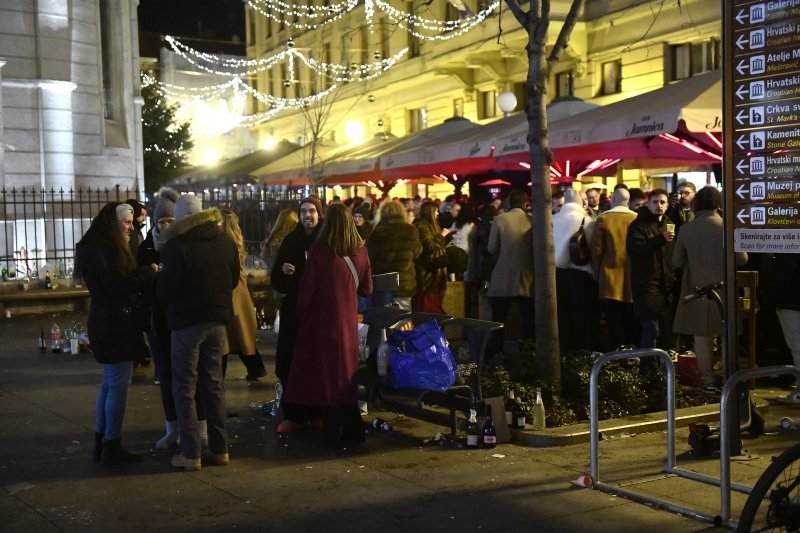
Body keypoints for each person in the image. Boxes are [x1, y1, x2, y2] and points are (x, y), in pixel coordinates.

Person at [157, 195, 240, 471]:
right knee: (213, 384)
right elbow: (234, 278)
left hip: (187, 323)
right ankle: (220, 449)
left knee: (184, 387)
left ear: (181, 219)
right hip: (218, 321)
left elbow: (166, 291)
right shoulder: (225, 241)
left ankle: (190, 453)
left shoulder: (177, 247)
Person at [74, 202, 158, 465]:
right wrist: (149, 272)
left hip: (107, 321)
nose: (131, 228)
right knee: (118, 386)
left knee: (110, 384)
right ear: (112, 223)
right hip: (116, 324)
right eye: (127, 223)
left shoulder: (97, 247)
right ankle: (111, 444)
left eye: (132, 223)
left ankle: (103, 442)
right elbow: (118, 285)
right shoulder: (107, 250)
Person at [283, 204, 373, 447]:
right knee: (345, 376)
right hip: (348, 324)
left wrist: (302, 314)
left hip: (323, 324)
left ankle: (333, 432)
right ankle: (353, 431)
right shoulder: (361, 251)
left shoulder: (320, 251)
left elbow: (307, 289)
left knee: (327, 378)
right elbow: (367, 288)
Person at [137, 187, 207, 451]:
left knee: (191, 375)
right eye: (161, 222)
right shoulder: (147, 249)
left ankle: (200, 428)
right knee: (166, 375)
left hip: (185, 319)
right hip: (158, 322)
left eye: (170, 221)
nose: (165, 226)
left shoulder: (183, 246)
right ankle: (172, 429)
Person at [672, 186, 746, 395]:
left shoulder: (686, 229)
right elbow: (742, 259)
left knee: (702, 337)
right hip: (724, 290)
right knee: (726, 335)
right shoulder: (727, 227)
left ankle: (708, 380)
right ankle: (730, 379)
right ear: (718, 203)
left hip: (697, 291)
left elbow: (676, 261)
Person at [270, 196, 324, 433]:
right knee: (291, 361)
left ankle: (318, 413)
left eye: (311, 211)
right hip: (294, 311)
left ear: (319, 214)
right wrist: (284, 271)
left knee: (317, 363)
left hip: (319, 310)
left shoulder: (326, 240)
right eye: (303, 211)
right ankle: (293, 414)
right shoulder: (292, 241)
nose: (307, 215)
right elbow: (277, 281)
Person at [220, 209, 268, 381]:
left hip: (231, 291)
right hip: (239, 291)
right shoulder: (235, 241)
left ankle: (221, 375)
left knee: (228, 336)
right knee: (241, 334)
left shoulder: (223, 243)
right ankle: (256, 367)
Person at [486, 190, 534, 356]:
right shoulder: (532, 220)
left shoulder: (500, 220)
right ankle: (528, 349)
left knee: (499, 315)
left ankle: (497, 350)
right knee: (528, 316)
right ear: (525, 203)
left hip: (503, 272)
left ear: (508, 203)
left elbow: (491, 248)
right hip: (527, 274)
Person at [590, 187, 639, 349]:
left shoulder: (604, 219)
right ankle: (632, 353)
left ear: (613, 199)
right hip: (632, 277)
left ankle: (616, 353)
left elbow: (597, 250)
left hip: (609, 277)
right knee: (630, 320)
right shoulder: (636, 219)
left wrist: (596, 274)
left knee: (613, 321)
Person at [627, 189, 675, 351]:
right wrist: (660, 239)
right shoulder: (639, 225)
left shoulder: (668, 224)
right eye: (655, 202)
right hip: (646, 284)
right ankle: (649, 369)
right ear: (648, 204)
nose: (659, 206)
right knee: (651, 329)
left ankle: (661, 368)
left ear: (667, 205)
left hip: (665, 285)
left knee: (664, 331)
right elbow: (635, 249)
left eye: (662, 202)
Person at [552, 188, 598, 350]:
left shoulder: (553, 219)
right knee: (581, 314)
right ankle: (580, 351)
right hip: (582, 274)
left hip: (557, 274)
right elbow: (593, 249)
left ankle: (564, 349)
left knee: (562, 315)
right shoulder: (587, 221)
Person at [366, 200, 422, 310]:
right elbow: (417, 253)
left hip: (384, 283)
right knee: (404, 318)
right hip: (405, 283)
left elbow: (370, 257)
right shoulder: (410, 230)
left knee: (385, 318)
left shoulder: (377, 232)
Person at [770, 253, 800, 404]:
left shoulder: (789, 242)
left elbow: (785, 271)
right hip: (792, 299)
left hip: (790, 300)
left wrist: (771, 298)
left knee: (796, 346)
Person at [412, 201, 450, 313]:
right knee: (428, 310)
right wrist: (442, 235)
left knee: (434, 309)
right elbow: (430, 247)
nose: (438, 213)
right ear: (430, 212)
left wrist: (446, 237)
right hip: (428, 277)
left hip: (434, 277)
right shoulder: (422, 226)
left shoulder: (429, 226)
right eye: (436, 211)